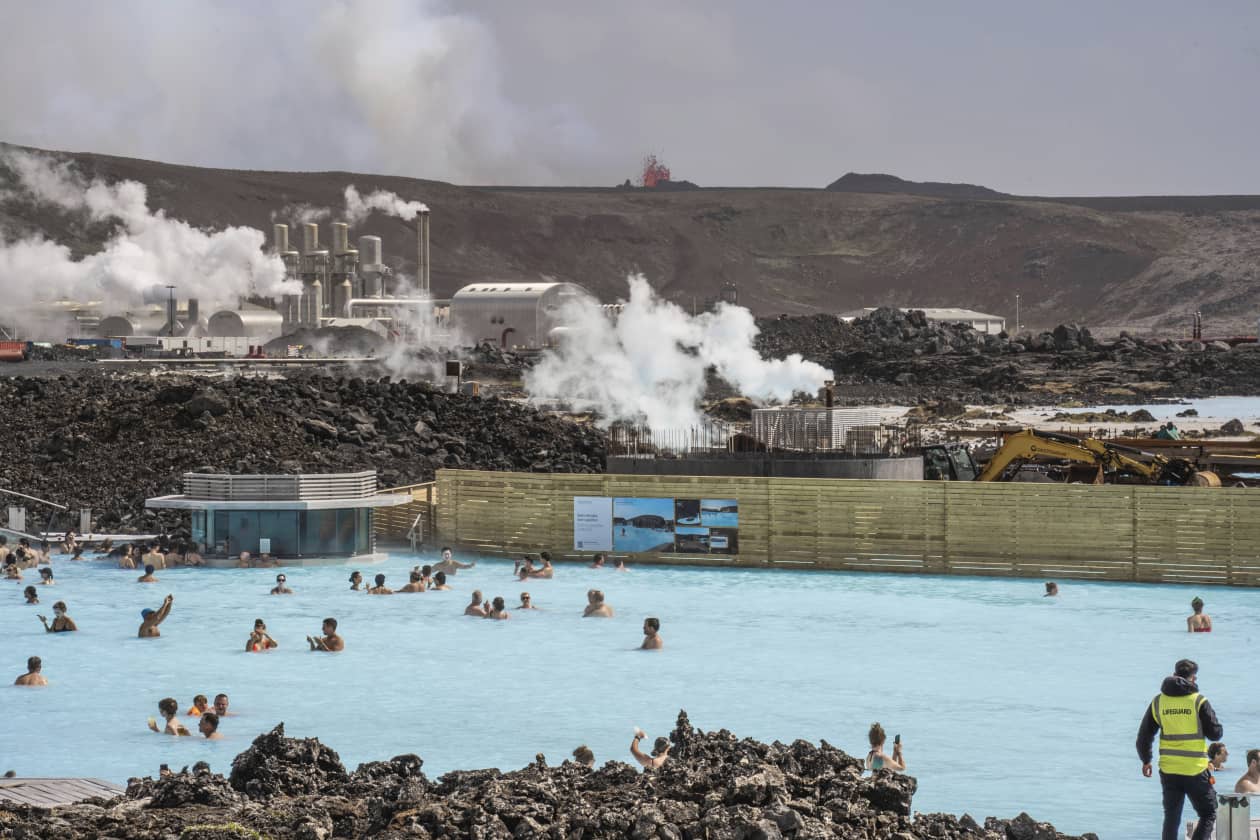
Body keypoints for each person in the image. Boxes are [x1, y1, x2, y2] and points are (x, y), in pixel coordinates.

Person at [1137, 658, 1223, 840]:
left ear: (1175, 674)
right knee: (1208, 813)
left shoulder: (1158, 702)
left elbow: (1144, 736)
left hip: (1169, 769)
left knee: (1171, 818)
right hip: (1195, 769)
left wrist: (1146, 760)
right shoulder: (1198, 701)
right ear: (1192, 679)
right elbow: (1216, 734)